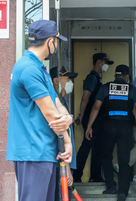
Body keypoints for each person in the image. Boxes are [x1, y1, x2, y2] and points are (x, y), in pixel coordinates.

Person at [6, 20, 73, 201]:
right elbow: (51, 113)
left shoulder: (39, 68)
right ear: (50, 41)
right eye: (56, 42)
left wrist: (68, 117)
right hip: (33, 150)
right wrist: (68, 142)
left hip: (43, 151)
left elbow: (56, 103)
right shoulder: (29, 68)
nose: (56, 46)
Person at [86, 65, 136, 201]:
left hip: (108, 125)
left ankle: (110, 186)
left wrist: (89, 126)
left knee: (106, 155)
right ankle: (123, 191)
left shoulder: (105, 87)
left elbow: (96, 107)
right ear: (127, 77)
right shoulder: (131, 89)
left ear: (115, 76)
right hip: (125, 127)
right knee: (124, 159)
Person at [73, 53, 114, 182]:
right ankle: (77, 175)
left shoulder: (97, 78)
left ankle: (94, 176)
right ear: (98, 62)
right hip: (91, 118)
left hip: (96, 119)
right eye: (105, 62)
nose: (106, 65)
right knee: (87, 146)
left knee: (96, 146)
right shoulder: (92, 78)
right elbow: (85, 97)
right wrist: (82, 114)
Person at [50, 66, 78, 200]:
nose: (70, 83)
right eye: (67, 79)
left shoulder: (62, 102)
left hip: (62, 162)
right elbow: (61, 136)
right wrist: (66, 169)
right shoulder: (54, 104)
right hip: (60, 164)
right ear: (56, 81)